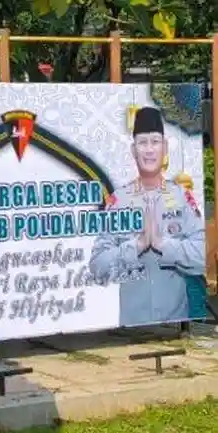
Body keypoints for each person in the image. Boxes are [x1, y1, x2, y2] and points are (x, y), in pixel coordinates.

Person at [88, 106, 206, 327]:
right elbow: (97, 267)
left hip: (175, 324)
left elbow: (202, 257)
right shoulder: (118, 201)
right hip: (131, 329)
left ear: (165, 148)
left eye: (155, 142)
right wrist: (137, 245)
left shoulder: (181, 196)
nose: (149, 150)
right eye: (143, 143)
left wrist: (164, 245)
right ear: (134, 150)